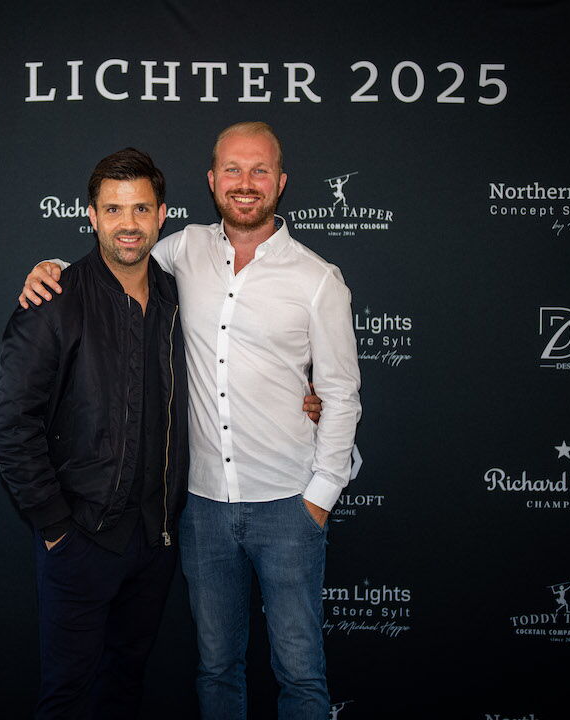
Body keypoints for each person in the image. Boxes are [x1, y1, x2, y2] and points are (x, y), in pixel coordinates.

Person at [19, 122, 361, 720]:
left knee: (302, 674)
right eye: (233, 169)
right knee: (216, 668)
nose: (245, 183)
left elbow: (340, 393)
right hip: (200, 508)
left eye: (259, 170)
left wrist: (320, 497)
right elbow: (116, 258)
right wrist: (50, 269)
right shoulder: (183, 250)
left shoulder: (317, 279)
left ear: (281, 182)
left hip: (288, 505)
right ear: (212, 180)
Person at [0, 148, 189, 720]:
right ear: (92, 216)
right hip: (80, 538)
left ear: (162, 215)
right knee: (68, 697)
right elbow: (11, 424)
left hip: (155, 540)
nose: (129, 223)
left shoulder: (180, 297)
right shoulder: (53, 300)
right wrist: (55, 526)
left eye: (141, 208)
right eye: (114, 209)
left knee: (124, 688)